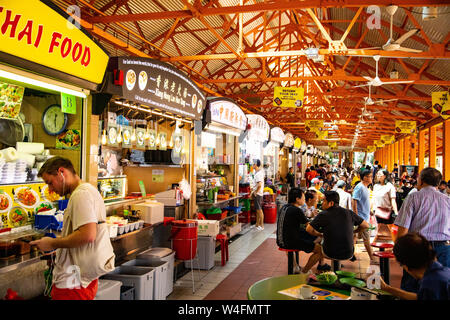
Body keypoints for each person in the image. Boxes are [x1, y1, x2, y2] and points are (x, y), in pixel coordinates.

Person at [30, 157, 115, 300]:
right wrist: (60, 251)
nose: (50, 189)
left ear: (61, 172)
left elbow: (87, 235)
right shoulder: (88, 190)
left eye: (50, 183)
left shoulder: (80, 194)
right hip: (81, 278)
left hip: (72, 282)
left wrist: (52, 243)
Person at [394, 167, 450, 292]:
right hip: (443, 249)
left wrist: (399, 252)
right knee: (440, 290)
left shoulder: (413, 197)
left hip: (417, 249)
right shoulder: (447, 200)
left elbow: (403, 230)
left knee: (411, 287)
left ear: (421, 181)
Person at [305, 191, 370, 272]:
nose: (322, 203)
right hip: (349, 253)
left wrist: (320, 234)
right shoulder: (349, 212)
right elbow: (366, 225)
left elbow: (308, 229)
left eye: (324, 201)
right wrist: (354, 231)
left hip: (330, 252)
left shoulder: (323, 214)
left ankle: (304, 272)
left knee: (318, 250)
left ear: (331, 203)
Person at [380, 233, 450, 300]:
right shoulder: (443, 271)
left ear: (406, 266)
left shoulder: (430, 283)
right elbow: (420, 297)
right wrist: (387, 288)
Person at [276, 188, 330, 274]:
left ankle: (297, 266)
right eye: (303, 197)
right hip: (290, 242)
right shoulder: (297, 210)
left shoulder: (284, 207)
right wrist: (321, 234)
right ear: (297, 199)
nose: (304, 200)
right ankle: (304, 272)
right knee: (320, 250)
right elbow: (309, 228)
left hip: (280, 240)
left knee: (312, 237)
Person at [352, 169, 376, 263]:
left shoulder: (365, 188)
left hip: (364, 216)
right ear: (365, 177)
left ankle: (350, 253)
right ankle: (372, 259)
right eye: (370, 176)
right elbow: (354, 201)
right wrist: (356, 216)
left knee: (354, 236)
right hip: (361, 218)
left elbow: (363, 202)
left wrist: (369, 211)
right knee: (366, 238)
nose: (371, 178)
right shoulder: (360, 187)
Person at [372, 169, 399, 241]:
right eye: (377, 174)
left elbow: (393, 200)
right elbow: (373, 198)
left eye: (380, 174)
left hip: (387, 211)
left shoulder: (390, 186)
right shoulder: (375, 186)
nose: (378, 175)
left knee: (392, 228)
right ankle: (371, 243)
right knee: (376, 227)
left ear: (385, 176)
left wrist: (396, 212)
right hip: (377, 210)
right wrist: (371, 208)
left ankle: (396, 243)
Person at [252, 159, 265, 231]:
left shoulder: (258, 174)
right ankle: (257, 224)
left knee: (259, 210)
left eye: (253, 164)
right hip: (258, 193)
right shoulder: (258, 172)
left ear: (256, 165)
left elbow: (259, 185)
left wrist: (255, 192)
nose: (252, 165)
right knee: (257, 210)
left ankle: (262, 225)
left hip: (258, 194)